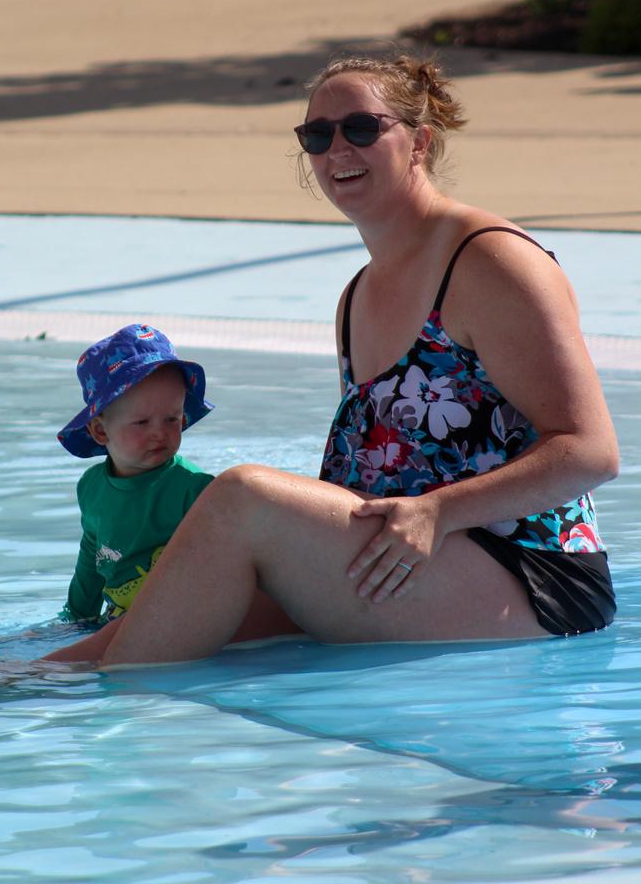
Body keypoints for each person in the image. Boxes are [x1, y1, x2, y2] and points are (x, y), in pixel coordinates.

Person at [60, 53, 618, 668]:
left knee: (242, 497)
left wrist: (438, 512)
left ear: (419, 142)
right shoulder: (356, 297)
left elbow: (590, 451)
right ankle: (23, 681)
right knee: (117, 641)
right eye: (318, 135)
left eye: (361, 128)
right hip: (400, 559)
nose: (337, 149)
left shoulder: (490, 263)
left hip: (533, 580)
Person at [56, 323, 215, 625]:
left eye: (172, 419)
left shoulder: (193, 489)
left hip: (177, 621)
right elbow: (91, 561)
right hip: (118, 621)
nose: (160, 433)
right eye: (142, 422)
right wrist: (75, 619)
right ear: (100, 430)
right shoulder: (91, 487)